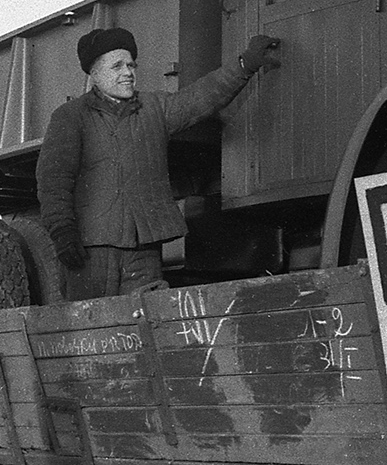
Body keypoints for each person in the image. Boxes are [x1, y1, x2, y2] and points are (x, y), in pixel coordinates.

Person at [36, 26, 281, 299]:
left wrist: (245, 64)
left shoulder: (154, 108)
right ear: (94, 73)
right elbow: (54, 181)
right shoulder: (70, 116)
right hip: (91, 249)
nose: (128, 73)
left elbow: (201, 97)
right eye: (117, 66)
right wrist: (62, 232)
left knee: (145, 326)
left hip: (144, 249)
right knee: (93, 333)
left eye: (131, 65)